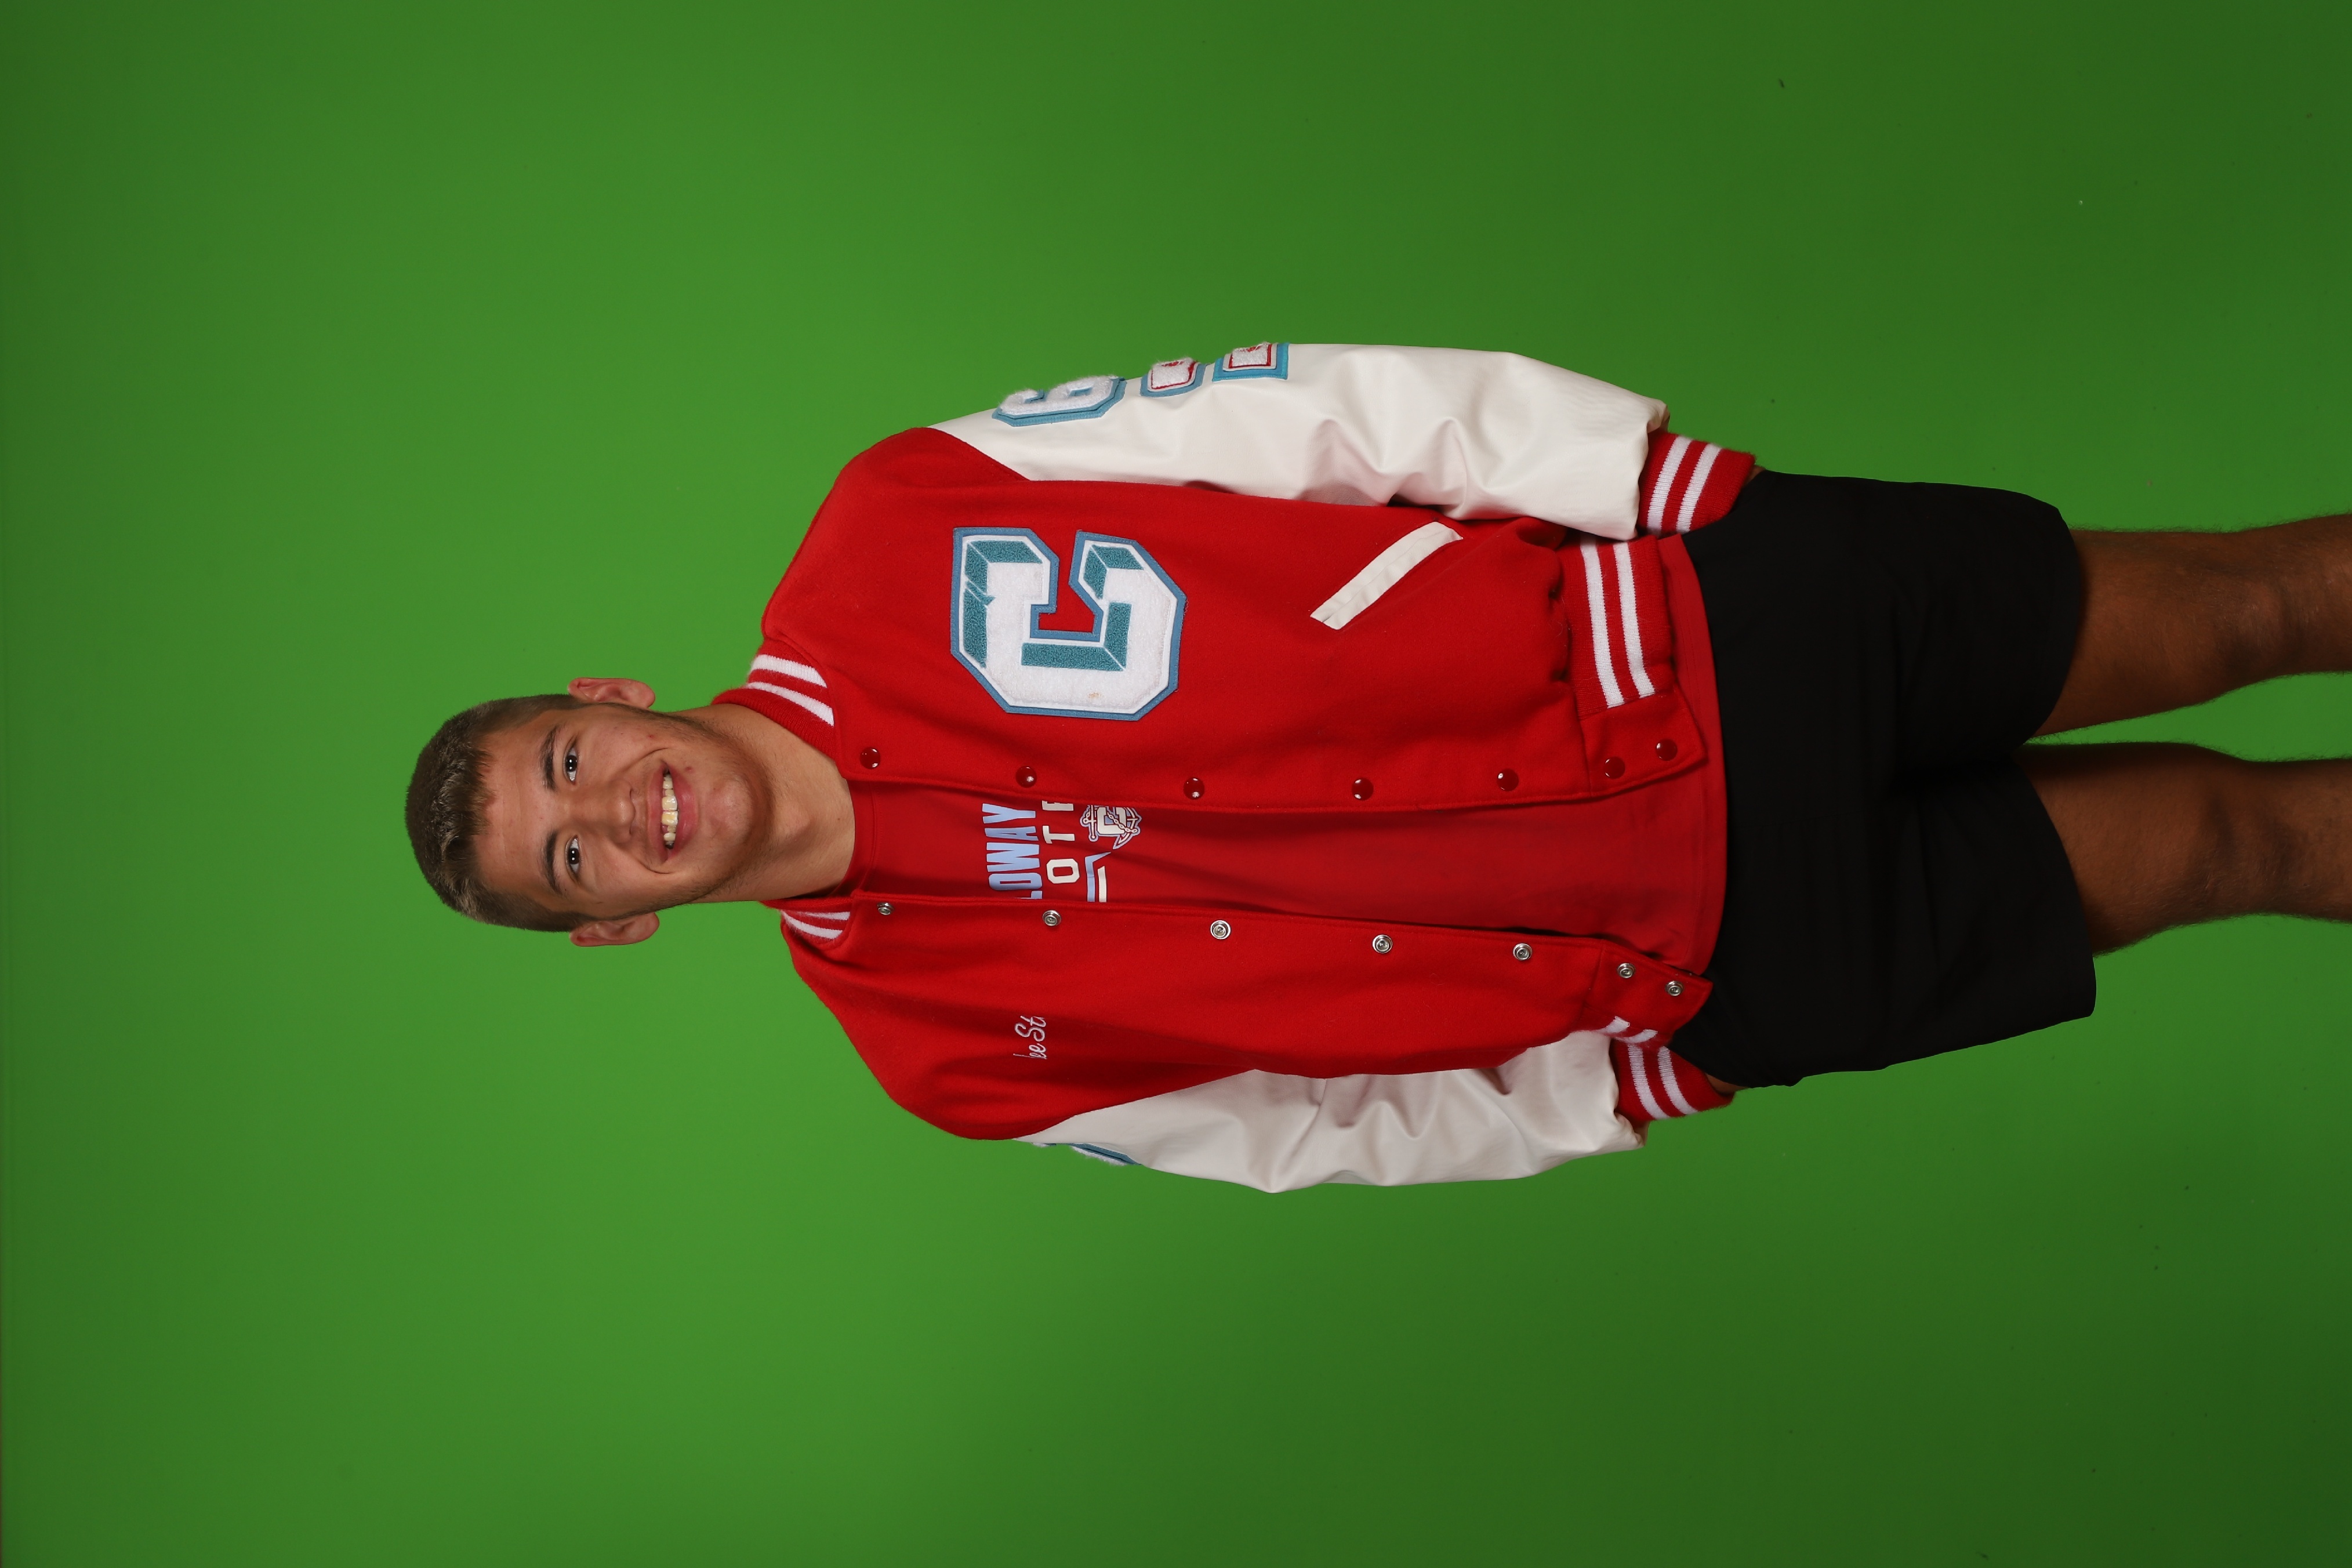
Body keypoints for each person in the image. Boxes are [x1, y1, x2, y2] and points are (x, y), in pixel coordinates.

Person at [405, 343, 2352, 1190]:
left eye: (569, 760)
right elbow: (1310, 1132)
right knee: (2226, 852)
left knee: (2248, 606)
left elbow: (1304, 412)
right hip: (1702, 962)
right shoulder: (946, 1060)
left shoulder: (898, 517)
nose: (615, 811)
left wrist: (1642, 483)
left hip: (1697, 631)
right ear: (616, 930)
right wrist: (1607, 1089)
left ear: (608, 693)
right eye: (570, 859)